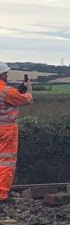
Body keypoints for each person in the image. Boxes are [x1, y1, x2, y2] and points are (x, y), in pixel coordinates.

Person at [0, 63, 33, 201]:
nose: (7, 75)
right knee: (5, 162)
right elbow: (25, 100)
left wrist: (19, 90)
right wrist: (29, 90)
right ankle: (1, 194)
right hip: (6, 131)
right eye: (6, 73)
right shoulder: (6, 91)